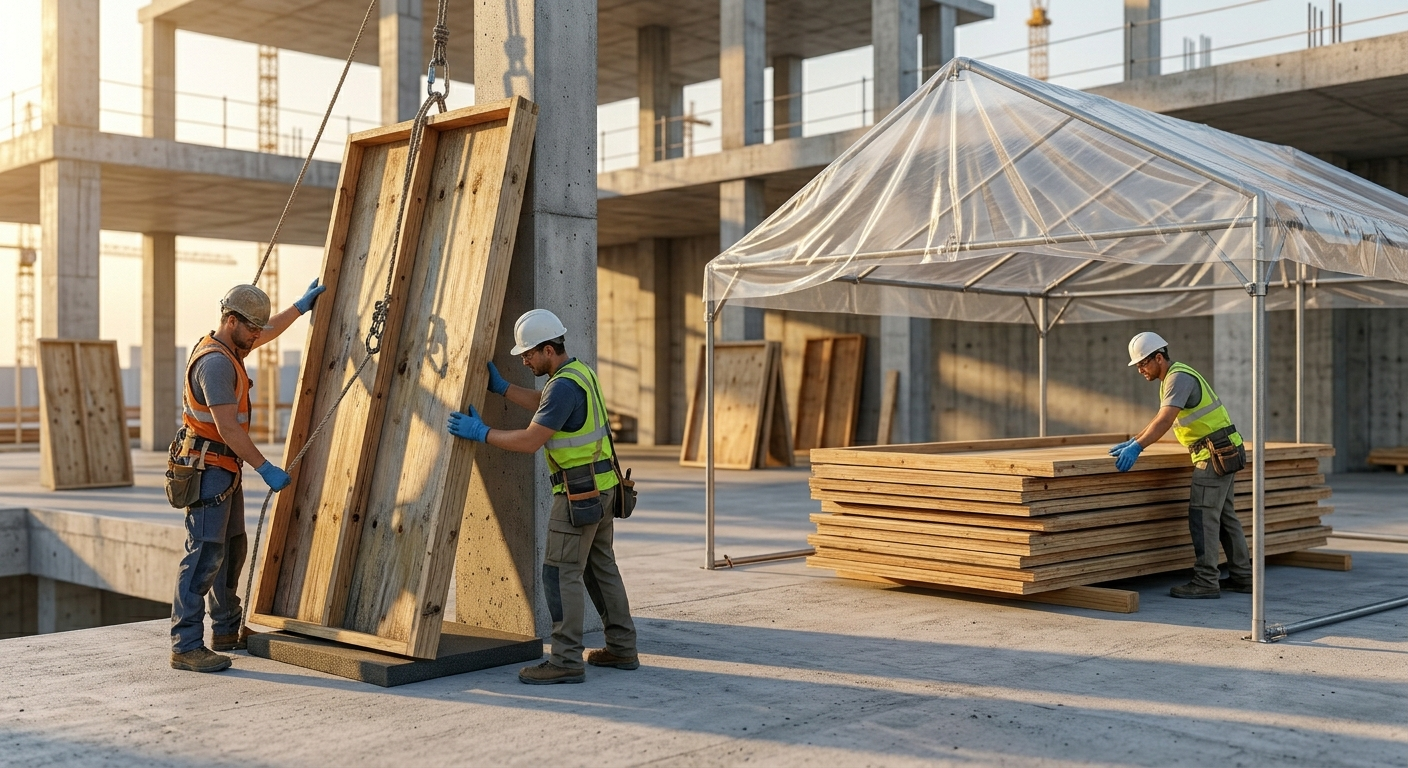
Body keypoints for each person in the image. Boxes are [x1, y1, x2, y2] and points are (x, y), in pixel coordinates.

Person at [446, 308, 638, 685]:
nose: (524, 359)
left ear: (549, 349)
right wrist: (504, 391)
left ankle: (566, 660)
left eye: (529, 353)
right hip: (603, 491)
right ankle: (622, 647)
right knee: (601, 572)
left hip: (577, 496)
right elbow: (549, 409)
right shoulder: (577, 374)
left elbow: (532, 440)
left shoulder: (563, 385)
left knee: (560, 575)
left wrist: (481, 432)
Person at [169, 279, 325, 673]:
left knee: (231, 551)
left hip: (224, 469)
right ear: (230, 320)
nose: (258, 335)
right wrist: (264, 467)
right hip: (208, 472)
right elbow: (229, 429)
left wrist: (299, 307)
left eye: (259, 329)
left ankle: (225, 631)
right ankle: (185, 646)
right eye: (252, 328)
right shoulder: (217, 363)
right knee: (204, 556)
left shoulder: (233, 345)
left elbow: (270, 330)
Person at [1111, 331, 1254, 599]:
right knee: (1224, 517)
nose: (1140, 369)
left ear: (1158, 357)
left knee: (1203, 518)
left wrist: (1138, 447)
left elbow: (1165, 421)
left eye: (1143, 363)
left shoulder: (1178, 377)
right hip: (1224, 450)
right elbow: (1159, 418)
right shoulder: (1174, 376)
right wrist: (1135, 439)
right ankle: (1243, 577)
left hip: (1212, 455)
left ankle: (1205, 581)